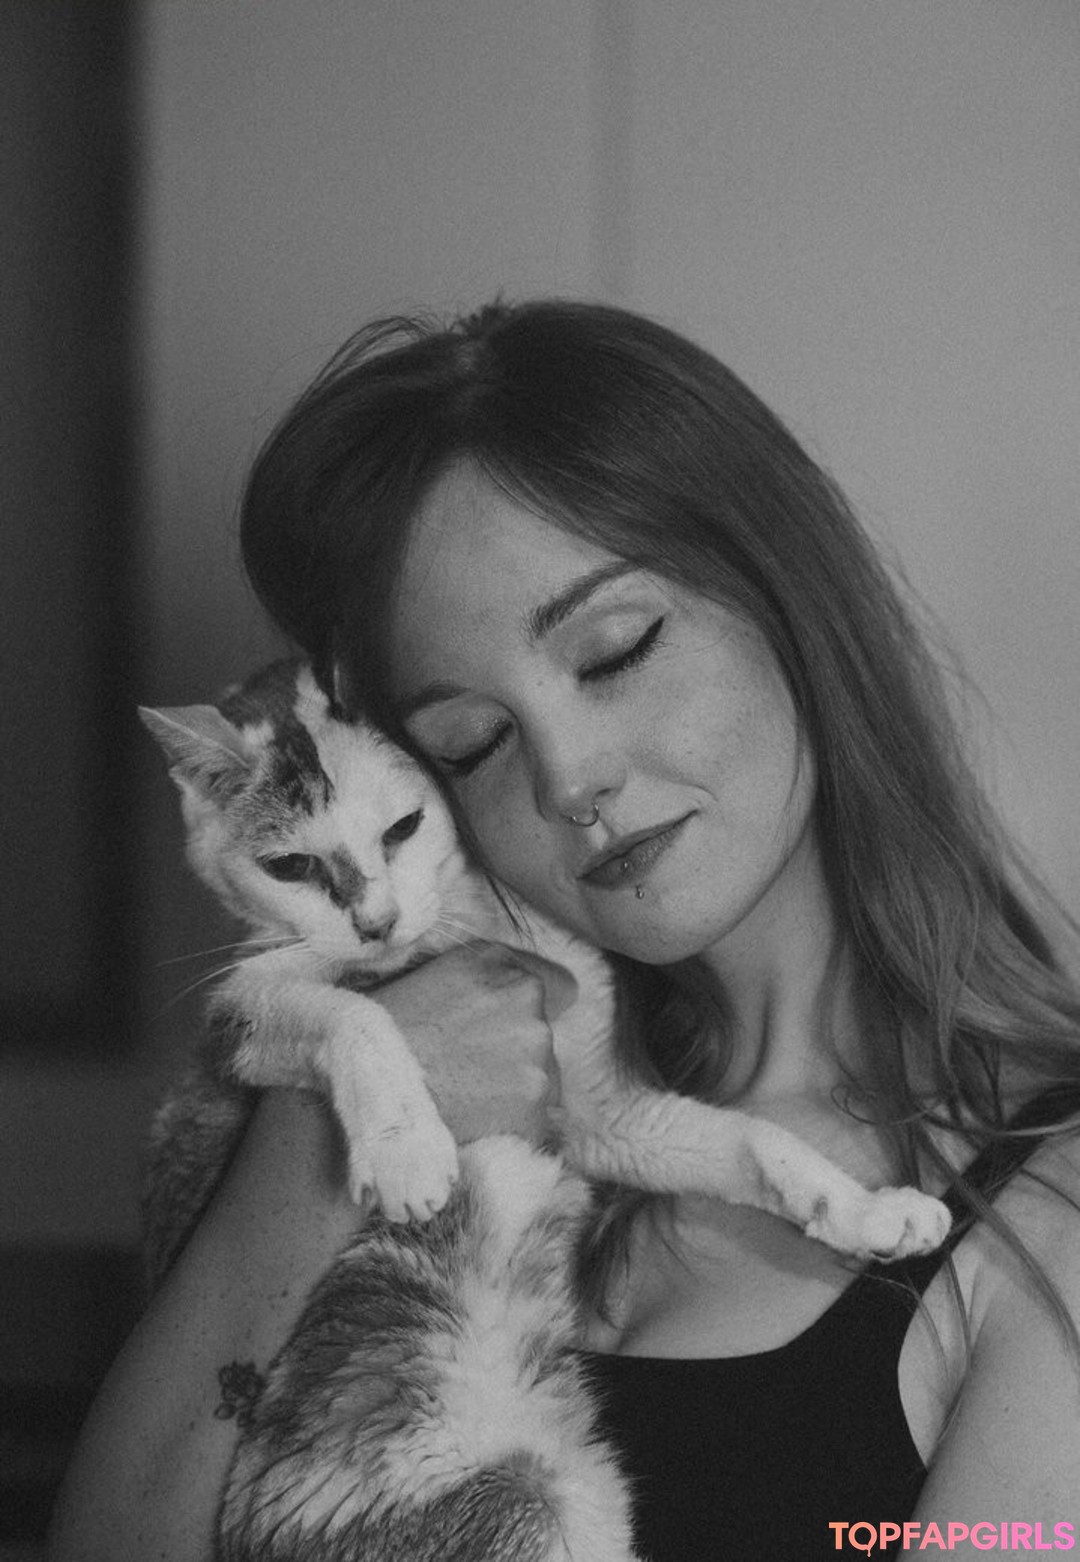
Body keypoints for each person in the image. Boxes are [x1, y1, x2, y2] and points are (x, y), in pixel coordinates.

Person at [50, 300, 1080, 1560]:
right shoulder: (432, 1098)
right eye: (473, 740)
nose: (569, 776)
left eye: (616, 649)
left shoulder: (1052, 1207)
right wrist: (311, 1140)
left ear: (791, 594)